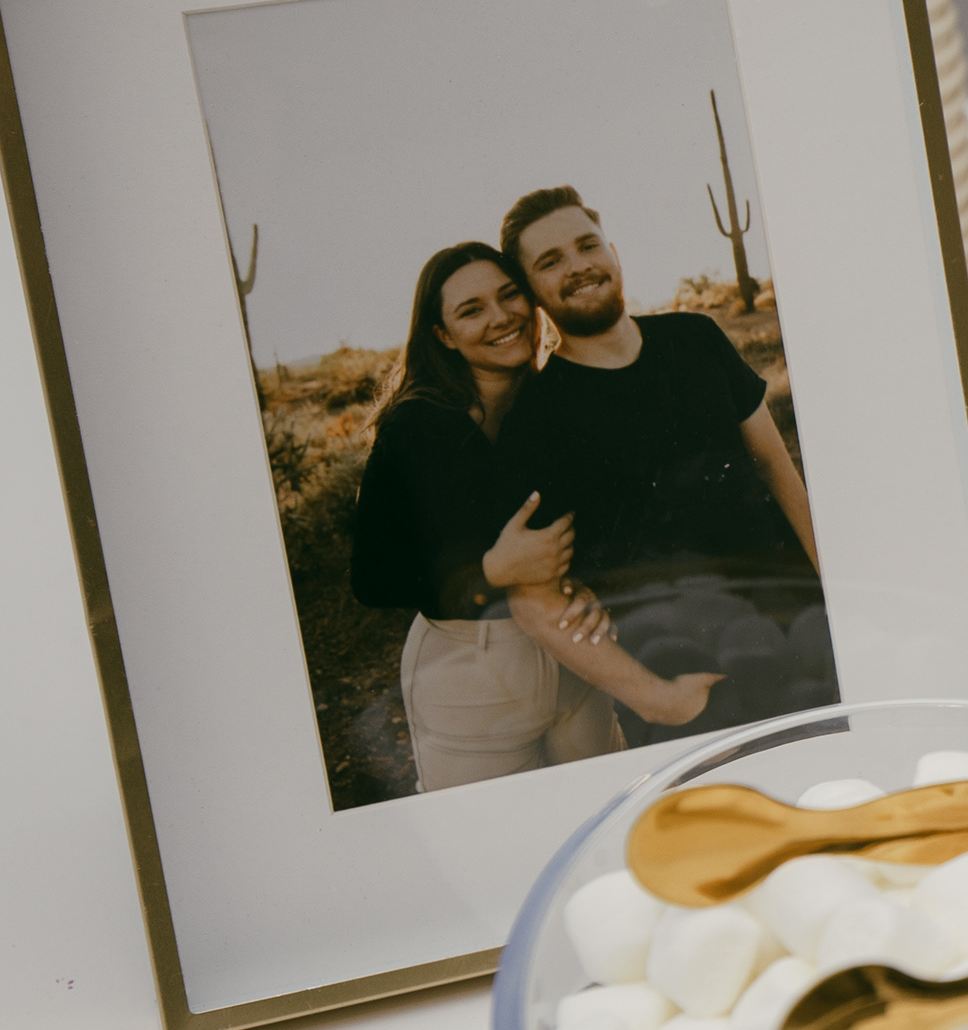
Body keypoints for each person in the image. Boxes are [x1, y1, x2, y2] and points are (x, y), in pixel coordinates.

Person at [349, 242, 725, 792]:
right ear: (443, 335)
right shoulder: (416, 427)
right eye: (471, 310)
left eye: (509, 295)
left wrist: (586, 582)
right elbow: (372, 578)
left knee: (606, 808)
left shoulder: (556, 401)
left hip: (576, 654)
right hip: (474, 669)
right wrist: (491, 571)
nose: (501, 316)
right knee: (495, 830)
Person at [497, 186, 833, 736]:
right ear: (532, 290)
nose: (577, 266)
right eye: (550, 261)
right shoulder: (534, 416)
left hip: (800, 625)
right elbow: (533, 594)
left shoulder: (695, 337)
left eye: (587, 245)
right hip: (681, 670)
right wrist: (655, 701)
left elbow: (777, 467)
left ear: (613, 253)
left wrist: (836, 591)